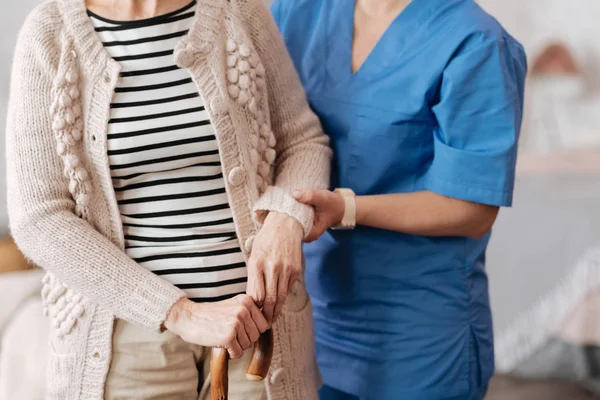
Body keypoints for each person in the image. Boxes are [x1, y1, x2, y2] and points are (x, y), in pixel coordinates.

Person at [5, 0, 331, 399]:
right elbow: (39, 217)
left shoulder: (238, 11)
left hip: (259, 330)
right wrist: (180, 312)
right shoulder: (50, 32)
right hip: (125, 343)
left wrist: (285, 220)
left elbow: (302, 141)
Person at [271, 0, 527, 399]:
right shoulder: (296, 11)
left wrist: (345, 208)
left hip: (418, 328)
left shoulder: (474, 40)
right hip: (311, 312)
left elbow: (472, 209)